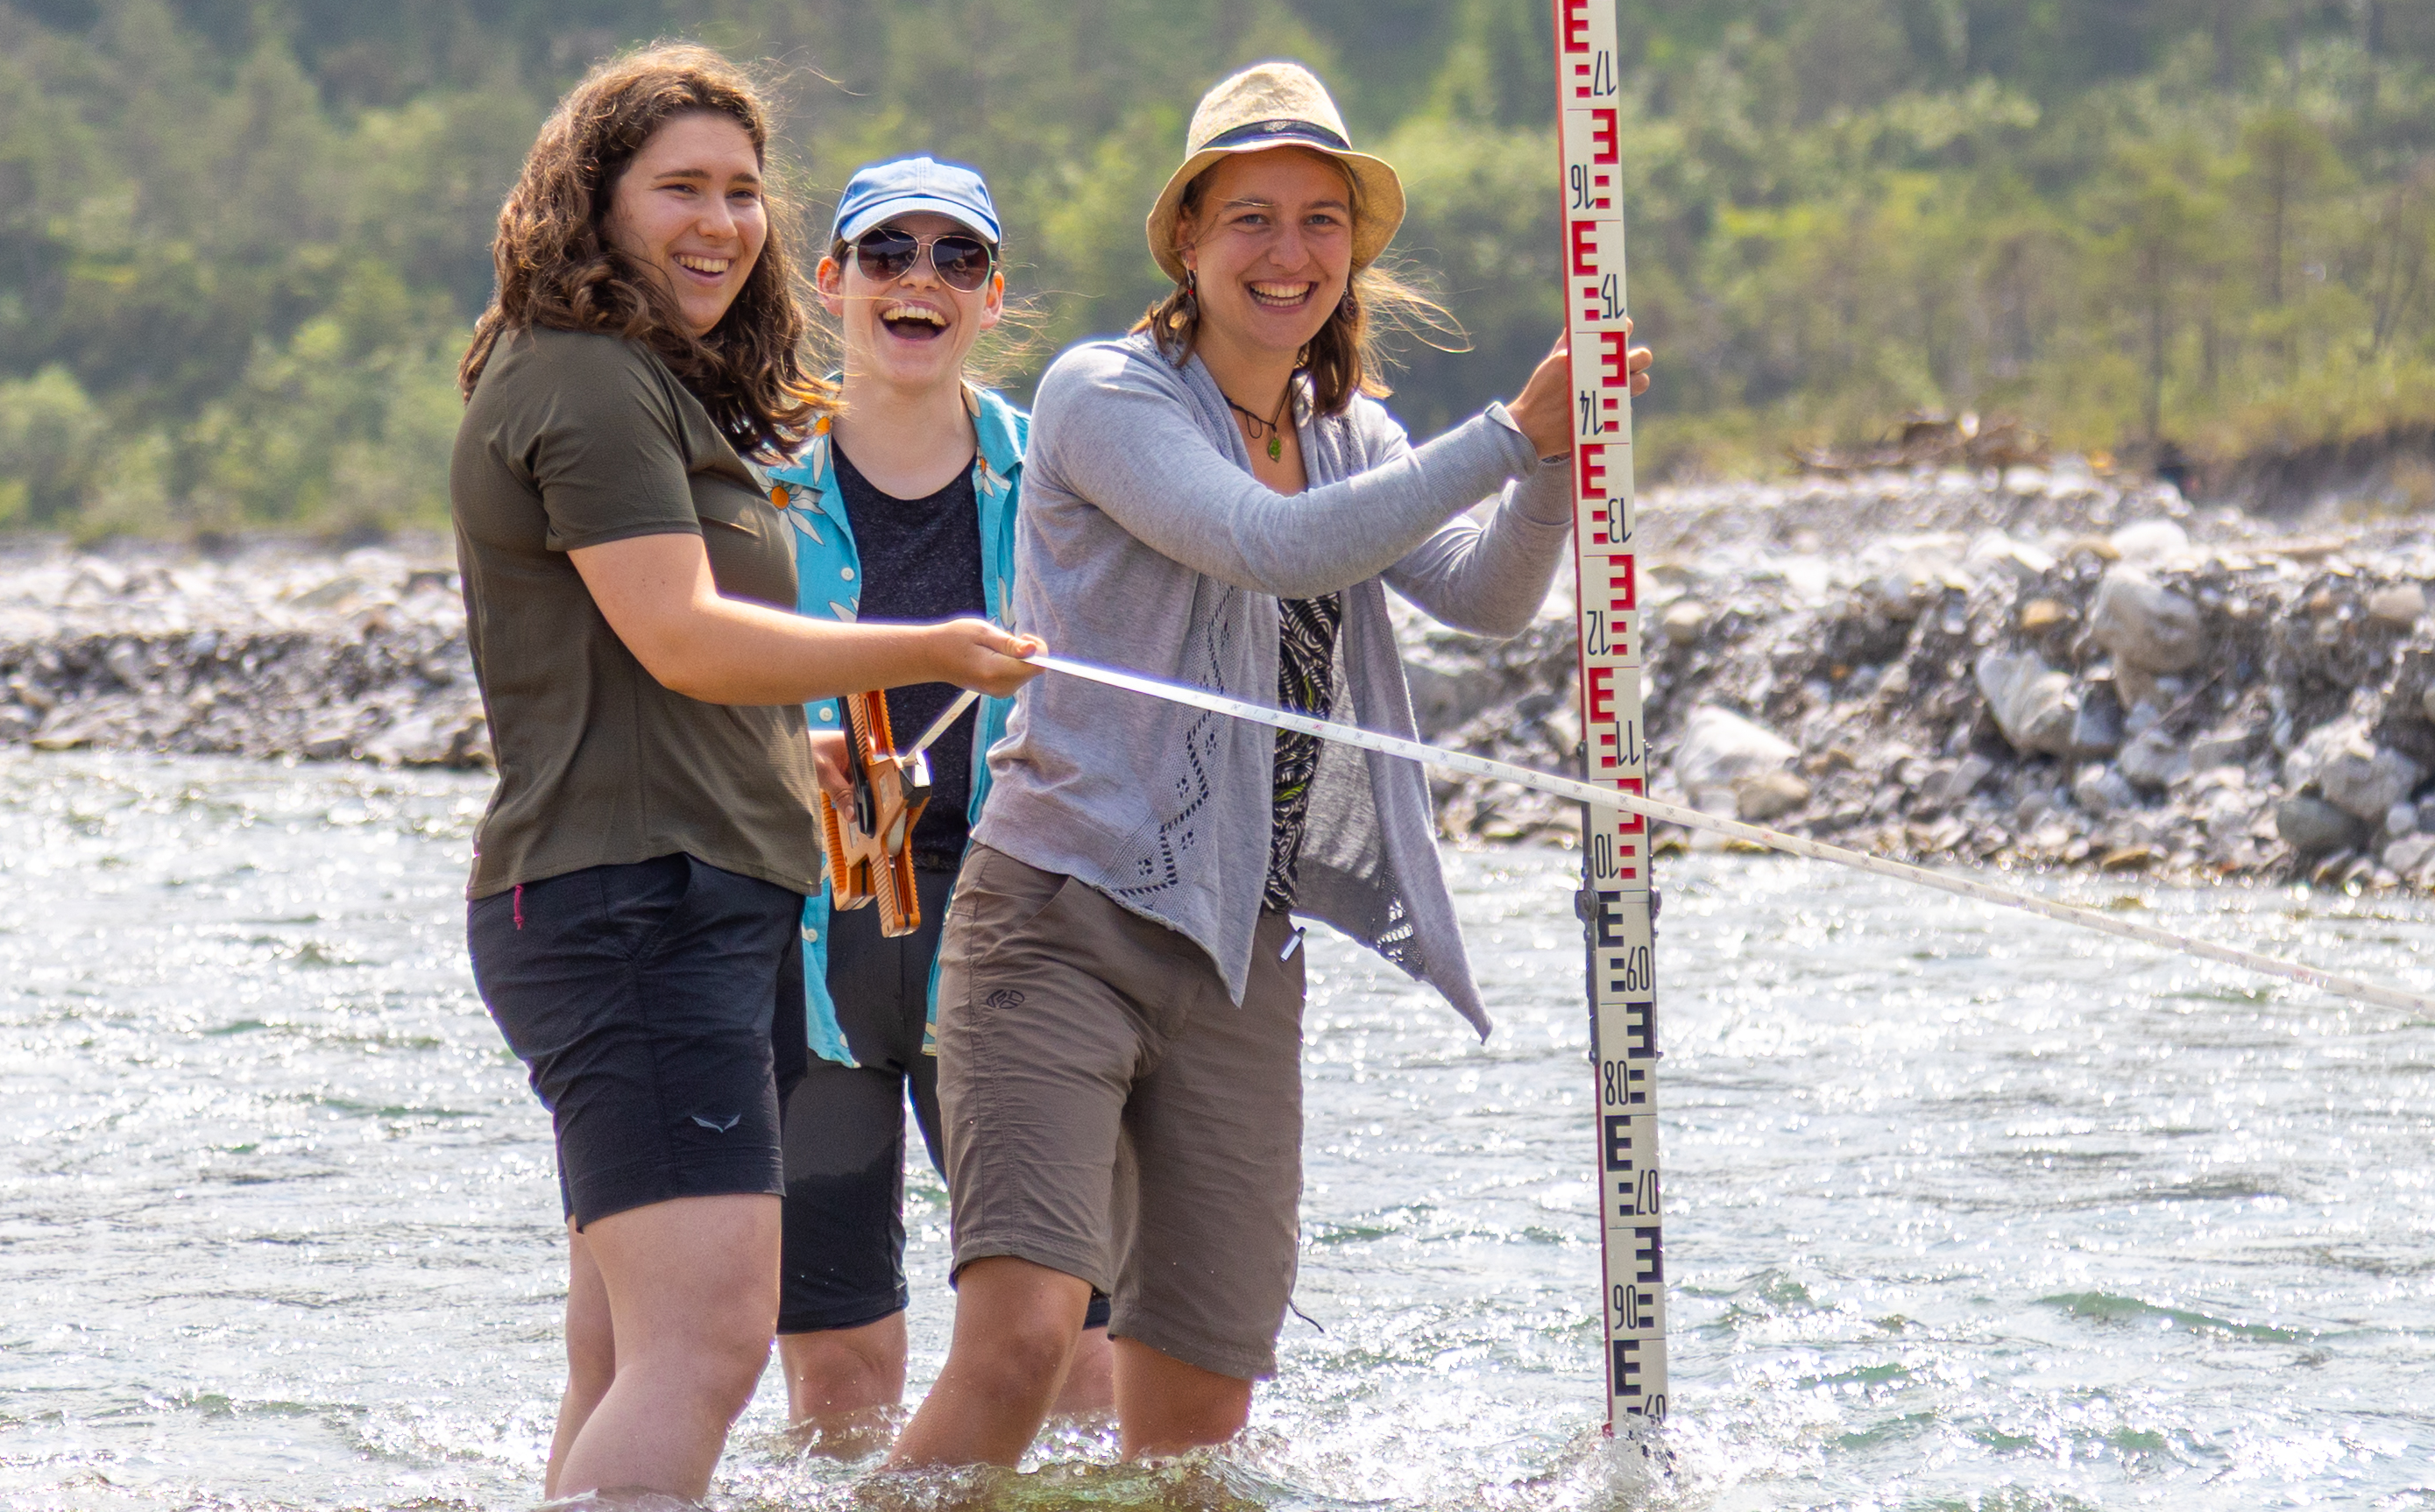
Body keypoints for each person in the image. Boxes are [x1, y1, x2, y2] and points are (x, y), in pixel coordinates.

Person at [881, 60, 1589, 1474]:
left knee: (1199, 1423)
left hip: (1243, 952)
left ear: (1354, 251)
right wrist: (1508, 432)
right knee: (1024, 1342)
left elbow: (1484, 595)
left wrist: (1562, 463)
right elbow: (1271, 548)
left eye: (1321, 220)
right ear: (1189, 246)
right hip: (1058, 921)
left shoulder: (1348, 434)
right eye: (1251, 218)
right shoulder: (1103, 393)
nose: (1289, 253)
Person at [446, 46, 1041, 1506]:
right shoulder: (585, 380)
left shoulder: (645, 382)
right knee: (710, 1350)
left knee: (621, 1364)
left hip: (662, 903)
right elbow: (683, 637)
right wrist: (931, 651)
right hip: (634, 907)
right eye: (677, 191)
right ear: (591, 201)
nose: (717, 223)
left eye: (738, 192)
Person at [760, 153, 1113, 1458]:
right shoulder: (753, 485)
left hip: (1024, 932)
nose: (920, 279)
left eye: (954, 257)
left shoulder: (1066, 474)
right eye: (889, 253)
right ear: (832, 283)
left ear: (992, 293)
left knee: (1079, 1343)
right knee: (843, 1365)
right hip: (815, 941)